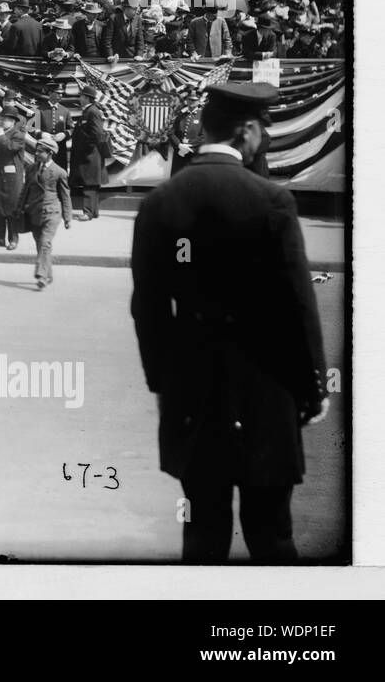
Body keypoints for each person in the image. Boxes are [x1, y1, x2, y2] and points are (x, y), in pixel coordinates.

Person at [131, 82, 328, 562]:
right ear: (245, 130)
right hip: (267, 387)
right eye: (262, 128)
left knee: (202, 534)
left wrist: (165, 383)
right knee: (272, 534)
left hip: (192, 392)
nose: (263, 138)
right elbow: (298, 305)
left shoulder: (160, 201)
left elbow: (148, 309)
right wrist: (313, 386)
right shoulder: (271, 200)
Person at [16, 134, 72, 289]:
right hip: (34, 212)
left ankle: (40, 274)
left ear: (50, 153)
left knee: (45, 243)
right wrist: (19, 208)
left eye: (41, 151)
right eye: (37, 150)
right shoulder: (31, 169)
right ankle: (48, 275)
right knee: (40, 245)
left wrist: (68, 217)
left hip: (51, 212)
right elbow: (25, 191)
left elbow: (65, 196)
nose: (37, 153)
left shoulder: (59, 172)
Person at [0, 103, 28, 249]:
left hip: (11, 179)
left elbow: (11, 148)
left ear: (14, 121)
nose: (4, 121)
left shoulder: (18, 135)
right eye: (3, 118)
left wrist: (0, 136)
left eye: (8, 119)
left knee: (11, 211)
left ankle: (13, 239)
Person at [69, 84, 108, 220]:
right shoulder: (88, 111)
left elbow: (97, 134)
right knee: (91, 182)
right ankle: (94, 212)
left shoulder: (92, 111)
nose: (80, 98)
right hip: (89, 154)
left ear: (86, 97)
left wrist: (86, 148)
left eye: (81, 96)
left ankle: (88, 212)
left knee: (89, 183)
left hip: (91, 154)